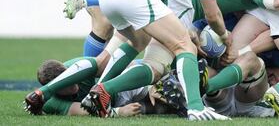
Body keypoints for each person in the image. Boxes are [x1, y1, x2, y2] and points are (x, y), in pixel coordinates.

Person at [80, 0, 230, 121]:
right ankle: (196, 108)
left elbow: (161, 5)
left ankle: (99, 91)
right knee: (184, 46)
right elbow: (213, 15)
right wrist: (225, 36)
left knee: (138, 42)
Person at [24, 58, 174, 117]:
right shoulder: (51, 101)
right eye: (65, 86)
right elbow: (82, 110)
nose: (72, 85)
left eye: (70, 79)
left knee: (169, 92)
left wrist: (151, 84)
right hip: (114, 104)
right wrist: (118, 112)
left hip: (121, 88)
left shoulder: (79, 66)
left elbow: (121, 64)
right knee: (160, 109)